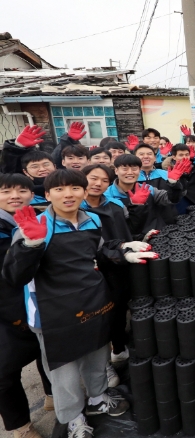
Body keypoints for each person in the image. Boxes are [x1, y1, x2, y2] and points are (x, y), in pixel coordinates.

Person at [2, 169, 156, 438]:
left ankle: (98, 399)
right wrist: (31, 245)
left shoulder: (92, 220)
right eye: (59, 190)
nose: (68, 194)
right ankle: (72, 417)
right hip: (53, 312)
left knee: (97, 356)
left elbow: (97, 253)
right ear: (47, 194)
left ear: (84, 192)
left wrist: (123, 252)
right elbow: (15, 277)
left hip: (91, 301)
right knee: (65, 371)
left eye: (74, 188)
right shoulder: (33, 227)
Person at [80, 164, 149, 384]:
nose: (98, 184)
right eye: (93, 178)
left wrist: (142, 238)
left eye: (104, 181)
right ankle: (104, 367)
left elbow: (126, 233)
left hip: (120, 263)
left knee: (119, 309)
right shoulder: (77, 210)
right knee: (102, 316)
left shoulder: (116, 206)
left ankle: (119, 350)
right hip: (95, 270)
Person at [0, 173, 52, 438]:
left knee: (46, 353)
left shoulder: (42, 219)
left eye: (22, 191)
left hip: (38, 302)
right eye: (6, 191)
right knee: (5, 372)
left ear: (33, 195)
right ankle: (21, 426)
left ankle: (51, 395)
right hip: (6, 309)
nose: (14, 196)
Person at [105, 154, 185, 236]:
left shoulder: (147, 189)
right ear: (116, 171)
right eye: (125, 169)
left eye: (134, 169)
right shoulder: (107, 196)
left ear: (139, 170)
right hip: (128, 241)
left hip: (155, 234)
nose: (130, 172)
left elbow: (171, 199)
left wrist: (173, 184)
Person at [162, 144, 195, 213]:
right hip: (180, 206)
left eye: (187, 155)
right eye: (181, 155)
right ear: (174, 157)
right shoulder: (168, 172)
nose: (184, 157)